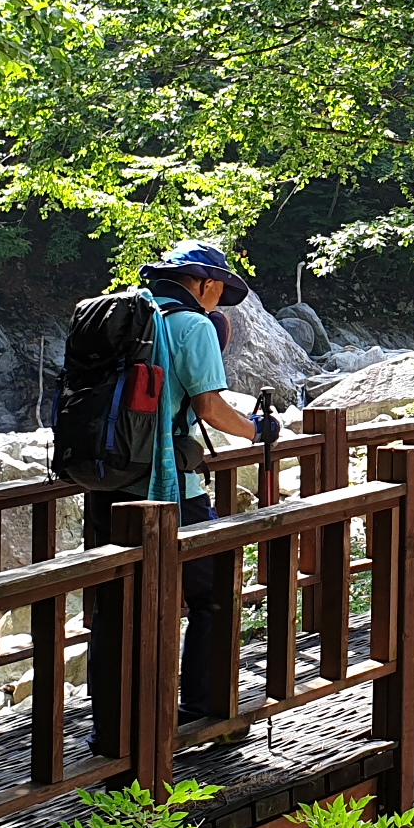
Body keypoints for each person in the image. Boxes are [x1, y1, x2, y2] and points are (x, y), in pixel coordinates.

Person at [85, 239, 278, 755]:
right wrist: (257, 431)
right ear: (207, 284)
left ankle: (112, 730)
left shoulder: (125, 315)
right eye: (218, 292)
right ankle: (205, 710)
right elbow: (210, 407)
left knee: (116, 605)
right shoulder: (192, 325)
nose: (218, 303)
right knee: (213, 594)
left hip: (108, 479)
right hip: (168, 488)